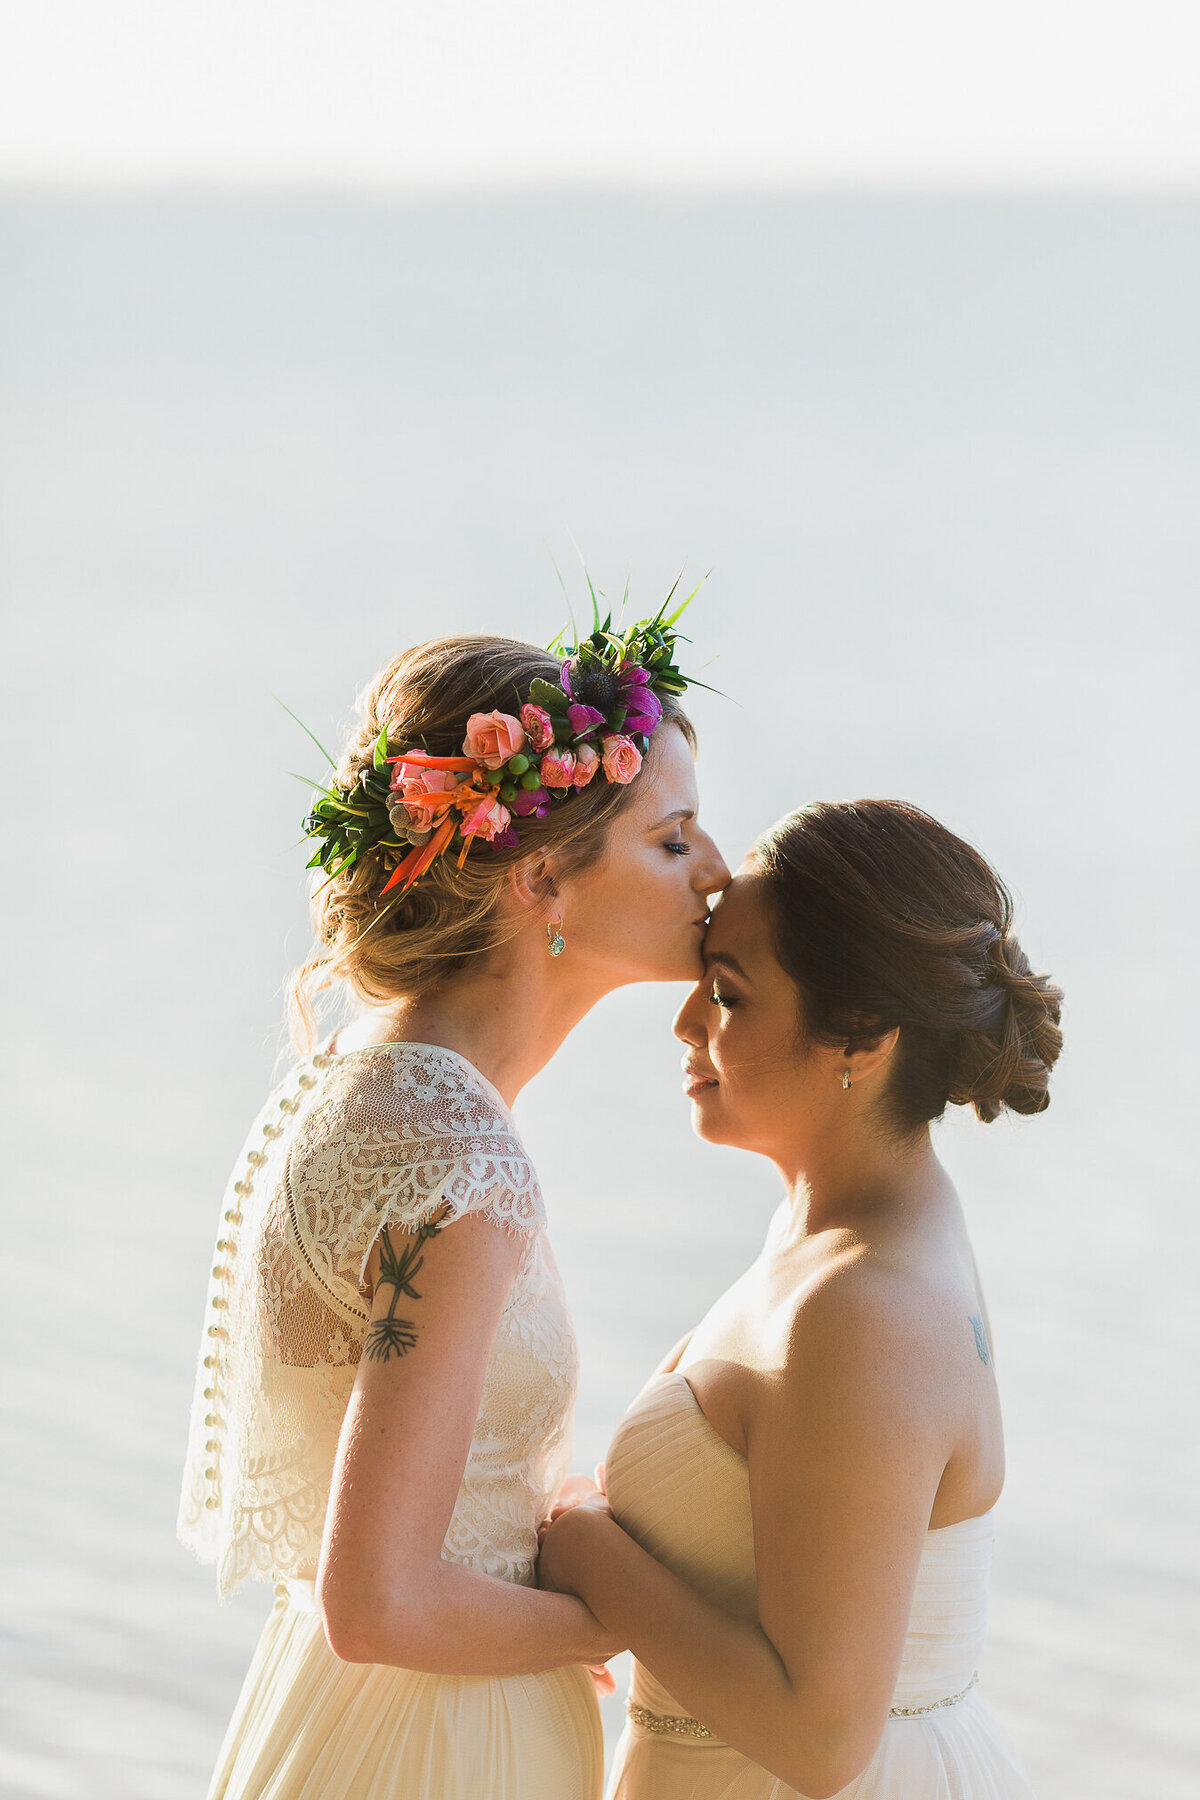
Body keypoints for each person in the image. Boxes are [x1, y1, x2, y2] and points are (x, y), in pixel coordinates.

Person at [177, 612, 730, 1800]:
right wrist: (600, 1618)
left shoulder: (367, 1075)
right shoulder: (460, 1159)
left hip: (342, 1712)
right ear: (540, 879)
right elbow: (380, 1601)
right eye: (675, 841)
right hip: (436, 1748)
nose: (722, 872)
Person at [538, 798, 1063, 1800]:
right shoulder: (849, 1229)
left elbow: (823, 1740)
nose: (688, 1023)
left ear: (859, 1037)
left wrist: (585, 1549)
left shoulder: (865, 1308)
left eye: (729, 996)